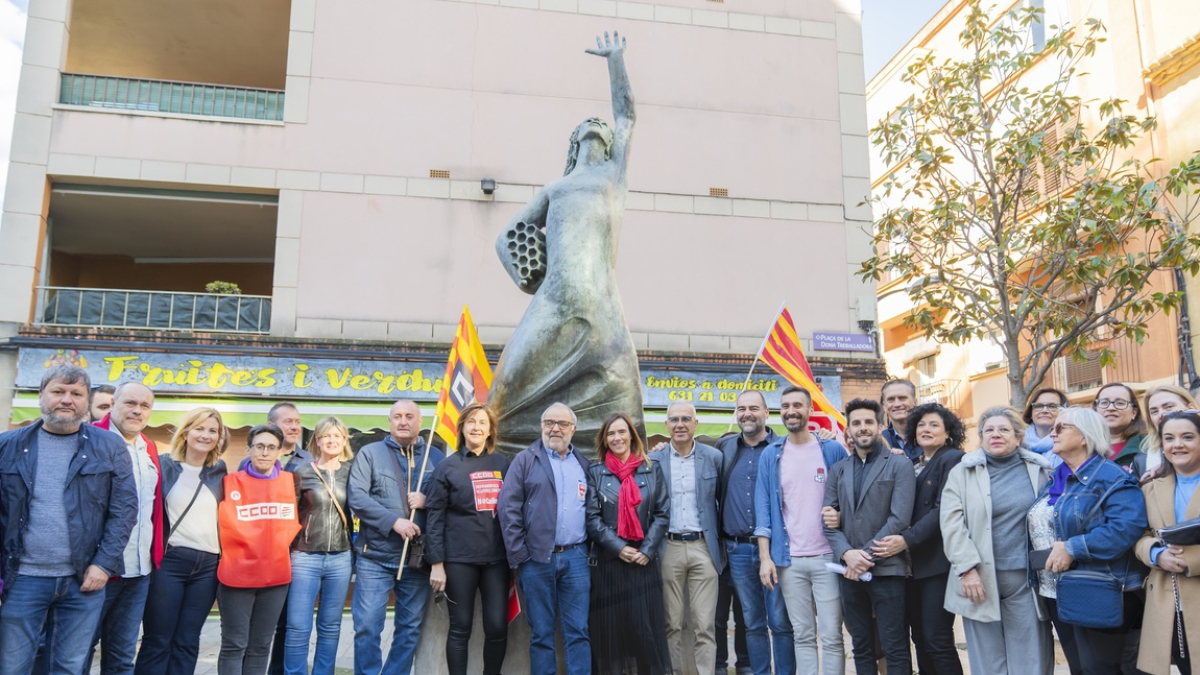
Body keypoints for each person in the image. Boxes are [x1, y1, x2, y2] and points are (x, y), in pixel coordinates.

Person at [0, 364, 136, 675]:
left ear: (87, 402)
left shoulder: (110, 446)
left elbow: (124, 509)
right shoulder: (6, 445)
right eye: (58, 391)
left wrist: (104, 563)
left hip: (83, 581)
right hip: (21, 579)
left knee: (69, 668)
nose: (67, 399)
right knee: (12, 667)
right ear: (41, 396)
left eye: (76, 393)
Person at [1027, 406, 1147, 675]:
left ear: (1084, 437)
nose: (1052, 433)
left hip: (1099, 588)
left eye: (1061, 428)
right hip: (1060, 590)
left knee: (1099, 669)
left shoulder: (1111, 477)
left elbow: (1125, 528)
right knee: (1080, 669)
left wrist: (1073, 548)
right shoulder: (1059, 479)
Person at [940, 406, 1054, 675]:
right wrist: (967, 569)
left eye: (1004, 429)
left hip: (1026, 580)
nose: (996, 434)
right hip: (977, 579)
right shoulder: (962, 471)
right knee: (987, 660)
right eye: (989, 430)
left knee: (1031, 657)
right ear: (980, 436)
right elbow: (952, 524)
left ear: (1018, 436)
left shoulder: (1039, 470)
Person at [754, 386, 847, 675]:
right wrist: (766, 557)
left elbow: (850, 498)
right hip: (789, 560)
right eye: (785, 406)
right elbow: (764, 509)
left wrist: (841, 517)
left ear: (809, 411)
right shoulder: (772, 455)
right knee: (803, 635)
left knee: (832, 636)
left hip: (828, 558)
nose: (791, 411)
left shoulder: (831, 450)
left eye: (797, 405)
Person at [348, 399, 444, 675]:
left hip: (417, 559)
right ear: (390, 421)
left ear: (420, 422)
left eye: (409, 416)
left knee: (409, 628)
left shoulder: (436, 458)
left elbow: (450, 502)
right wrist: (394, 522)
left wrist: (429, 500)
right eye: (398, 416)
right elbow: (357, 498)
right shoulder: (370, 453)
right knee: (366, 626)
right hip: (375, 556)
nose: (403, 421)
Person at [496, 403, 592, 675]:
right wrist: (520, 555)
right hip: (536, 560)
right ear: (541, 426)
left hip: (576, 559)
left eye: (562, 423)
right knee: (541, 633)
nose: (555, 428)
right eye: (549, 422)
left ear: (573, 429)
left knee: (578, 631)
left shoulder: (583, 464)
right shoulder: (526, 460)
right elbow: (508, 507)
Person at [821, 398, 915, 675]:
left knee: (894, 646)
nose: (862, 428)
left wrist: (863, 557)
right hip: (849, 573)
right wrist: (848, 555)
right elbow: (828, 519)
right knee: (860, 646)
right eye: (856, 423)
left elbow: (899, 519)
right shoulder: (838, 470)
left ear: (879, 426)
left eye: (868, 422)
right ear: (848, 430)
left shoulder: (899, 465)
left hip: (888, 570)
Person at [134, 407, 228, 675]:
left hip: (208, 567)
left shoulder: (220, 471)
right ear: (186, 432)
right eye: (200, 428)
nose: (206, 435)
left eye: (213, 430)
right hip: (170, 563)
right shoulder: (163, 466)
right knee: (157, 640)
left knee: (187, 641)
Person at [873, 402, 964, 675]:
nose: (926, 429)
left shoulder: (953, 459)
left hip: (937, 563)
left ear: (948, 433)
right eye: (921, 424)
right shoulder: (912, 463)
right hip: (911, 567)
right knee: (920, 639)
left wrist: (906, 540)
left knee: (938, 639)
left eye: (934, 424)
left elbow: (944, 511)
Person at [426, 403, 512, 675]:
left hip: (497, 561)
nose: (476, 427)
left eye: (483, 423)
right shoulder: (447, 467)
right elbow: (434, 517)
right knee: (460, 627)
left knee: (498, 626)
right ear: (461, 427)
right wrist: (437, 563)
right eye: (471, 422)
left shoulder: (503, 464)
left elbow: (514, 510)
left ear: (490, 431)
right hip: (458, 560)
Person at [84, 382, 163, 675]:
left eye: (144, 406)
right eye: (130, 403)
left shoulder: (149, 447)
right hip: (97, 570)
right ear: (114, 403)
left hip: (138, 572)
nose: (137, 410)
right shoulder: (90, 438)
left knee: (121, 659)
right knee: (76, 653)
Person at [586, 412, 671, 675]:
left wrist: (646, 550)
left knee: (644, 630)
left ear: (632, 436)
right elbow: (592, 518)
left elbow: (662, 513)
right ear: (604, 439)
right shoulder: (595, 472)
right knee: (610, 633)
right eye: (611, 433)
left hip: (642, 563)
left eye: (622, 431)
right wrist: (619, 548)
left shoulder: (651, 468)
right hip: (609, 564)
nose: (617, 437)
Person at [715, 390, 793, 675]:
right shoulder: (725, 448)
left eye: (753, 408)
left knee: (781, 622)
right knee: (752, 621)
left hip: (775, 549)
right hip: (736, 550)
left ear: (766, 413)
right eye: (741, 408)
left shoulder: (784, 448)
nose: (746, 413)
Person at [646, 402, 724, 675]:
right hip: (668, 548)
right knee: (672, 623)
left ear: (695, 424)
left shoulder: (714, 457)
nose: (680, 424)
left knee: (705, 625)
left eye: (686, 419)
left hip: (704, 547)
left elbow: (722, 501)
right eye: (674, 419)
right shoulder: (653, 460)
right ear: (666, 425)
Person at [217, 424, 301, 675]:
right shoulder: (228, 482)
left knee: (261, 646)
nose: (265, 452)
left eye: (271, 447)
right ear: (248, 449)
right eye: (260, 446)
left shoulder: (289, 483)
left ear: (279, 452)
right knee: (234, 644)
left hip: (275, 577)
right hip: (236, 576)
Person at [283, 417, 354, 675]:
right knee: (298, 626)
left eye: (337, 436)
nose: (332, 440)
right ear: (317, 440)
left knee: (330, 626)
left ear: (344, 440)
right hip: (305, 557)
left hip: (341, 557)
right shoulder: (302, 472)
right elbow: (289, 513)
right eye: (326, 436)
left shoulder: (352, 471)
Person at [1135, 411, 1199, 675]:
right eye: (1169, 438)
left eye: (1187, 437)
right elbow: (1140, 535)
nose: (1177, 444)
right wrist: (1155, 553)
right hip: (1168, 600)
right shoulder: (1150, 487)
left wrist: (1193, 560)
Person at [259, 402, 309, 675]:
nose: (294, 426)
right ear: (271, 426)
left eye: (297, 421)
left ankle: (276, 671)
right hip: (258, 553)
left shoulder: (310, 462)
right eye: (287, 421)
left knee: (286, 622)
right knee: (257, 622)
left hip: (295, 553)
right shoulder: (252, 460)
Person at [1135, 385, 1199, 479]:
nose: (1161, 414)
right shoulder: (1141, 462)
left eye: (1169, 407)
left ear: (1191, 408)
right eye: (1154, 411)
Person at [1093, 382, 1148, 471]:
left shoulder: (1148, 445)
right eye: (1104, 402)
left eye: (1120, 403)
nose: (1111, 408)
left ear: (1134, 413)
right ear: (1095, 411)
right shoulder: (1084, 448)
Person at [1022, 387, 1069, 462]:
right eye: (1038, 406)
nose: (1044, 411)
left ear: (1063, 411)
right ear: (1031, 412)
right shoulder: (1016, 442)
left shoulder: (1071, 444)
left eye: (1052, 406)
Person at [879, 379, 918, 459]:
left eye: (902, 398)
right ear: (884, 406)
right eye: (891, 400)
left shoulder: (929, 436)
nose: (897, 404)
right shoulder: (880, 442)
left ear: (915, 402)